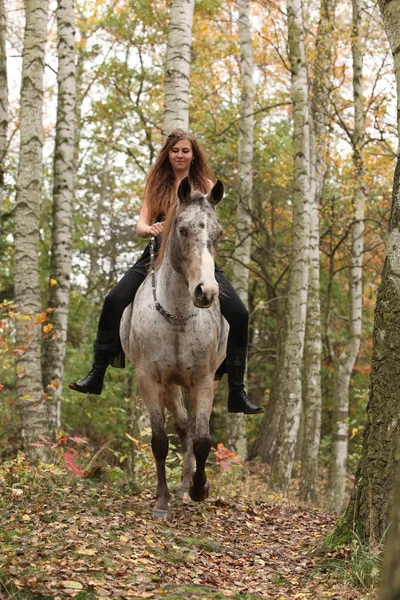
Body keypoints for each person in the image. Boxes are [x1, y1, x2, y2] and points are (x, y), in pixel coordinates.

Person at [69, 129, 264, 415]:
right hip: (157, 253)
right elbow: (141, 224)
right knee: (113, 300)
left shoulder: (206, 184)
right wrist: (150, 229)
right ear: (168, 154)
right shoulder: (157, 184)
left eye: (185, 150)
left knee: (240, 314)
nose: (180, 155)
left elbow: (208, 225)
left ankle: (236, 390)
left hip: (198, 255)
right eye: (175, 150)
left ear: (193, 154)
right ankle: (97, 373)